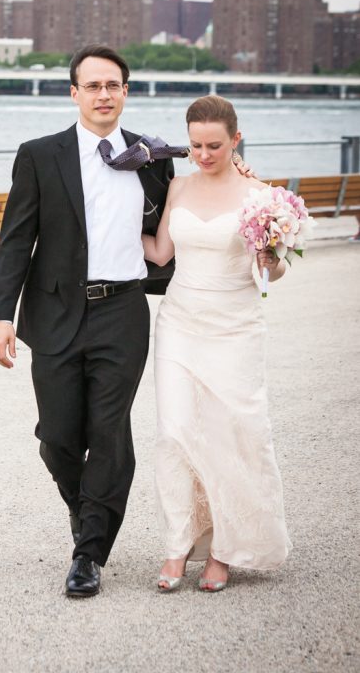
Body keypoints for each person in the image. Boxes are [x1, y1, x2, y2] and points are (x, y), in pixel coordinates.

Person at [0, 44, 185, 598]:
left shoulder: (153, 157)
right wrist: (2, 315)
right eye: (93, 86)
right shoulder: (39, 154)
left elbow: (179, 218)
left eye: (113, 85)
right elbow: (14, 241)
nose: (104, 95)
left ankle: (89, 551)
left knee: (109, 430)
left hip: (123, 311)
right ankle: (86, 509)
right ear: (74, 93)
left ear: (126, 92)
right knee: (56, 436)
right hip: (53, 312)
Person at [142, 95, 291, 593]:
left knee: (232, 434)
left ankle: (225, 550)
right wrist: (98, 230)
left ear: (236, 139)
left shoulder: (262, 196)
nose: (203, 154)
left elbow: (277, 268)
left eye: (214, 145)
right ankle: (178, 544)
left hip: (235, 325)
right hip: (179, 323)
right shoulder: (178, 186)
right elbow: (161, 252)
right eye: (195, 145)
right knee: (174, 432)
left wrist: (271, 255)